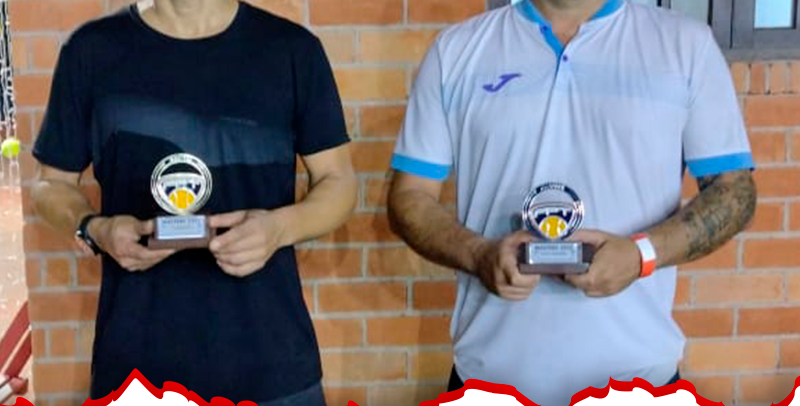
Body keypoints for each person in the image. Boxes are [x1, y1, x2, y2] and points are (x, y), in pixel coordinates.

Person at [386, 0, 757, 405]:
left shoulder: (686, 46)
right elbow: (409, 196)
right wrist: (477, 254)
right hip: (489, 382)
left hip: (637, 383)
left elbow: (735, 191)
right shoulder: (456, 50)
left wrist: (640, 255)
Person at [30, 0, 356, 404]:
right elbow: (50, 185)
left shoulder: (292, 49)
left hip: (271, 363)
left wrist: (279, 229)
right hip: (138, 369)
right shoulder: (90, 50)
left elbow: (338, 182)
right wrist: (94, 228)